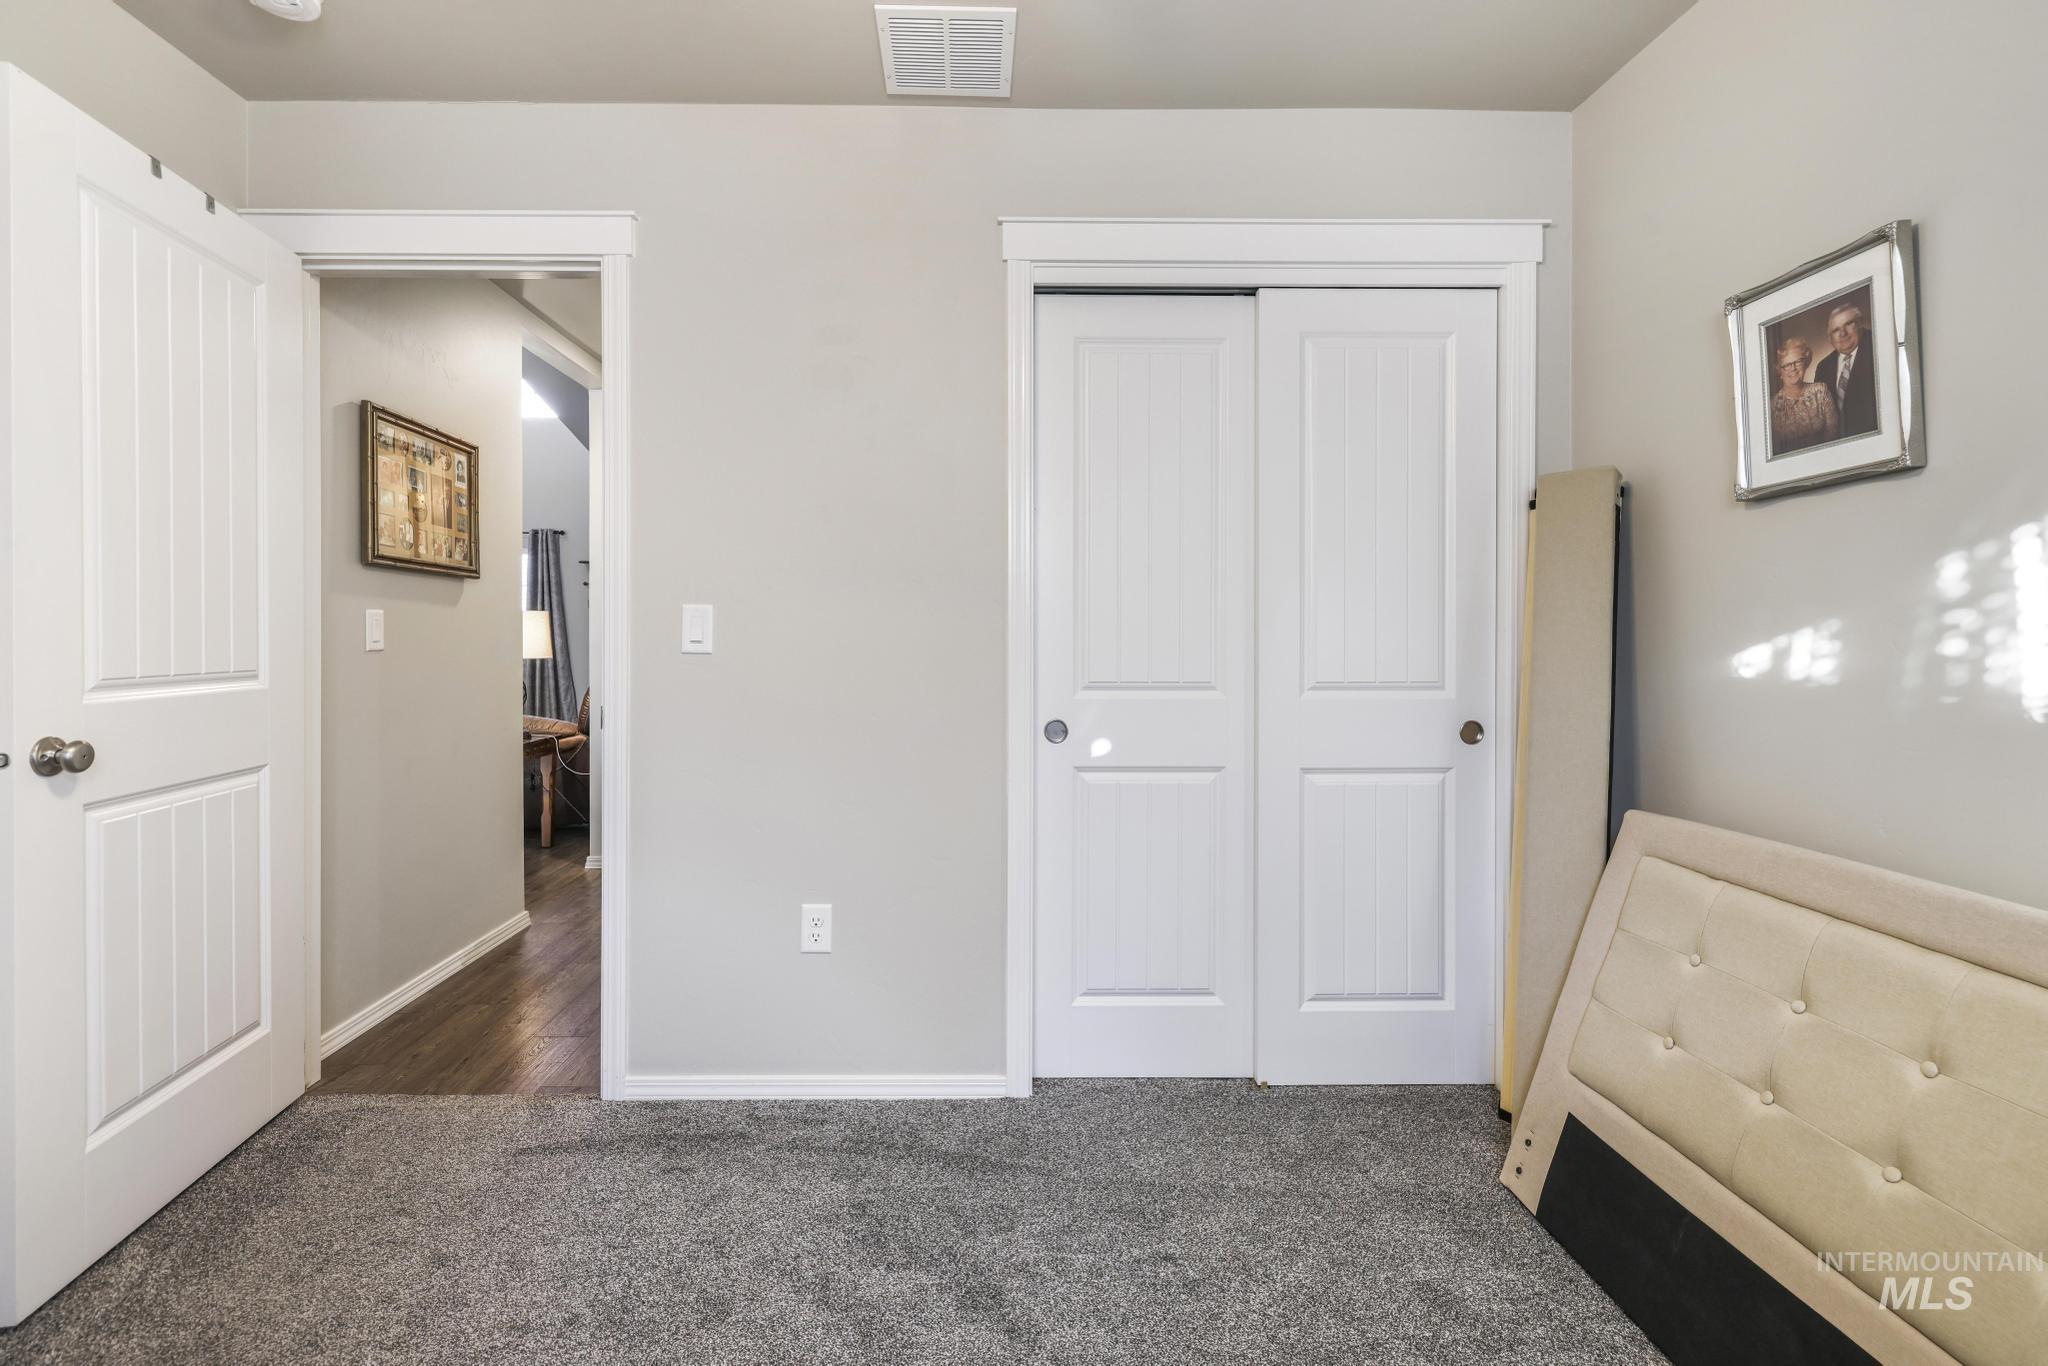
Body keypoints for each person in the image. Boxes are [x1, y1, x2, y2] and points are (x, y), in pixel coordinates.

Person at [1813, 301, 1877, 437]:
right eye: (1836, 330)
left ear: (1860, 324)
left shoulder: (1877, 348)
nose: (1842, 333)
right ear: (1830, 338)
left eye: (1848, 324)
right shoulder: (1823, 367)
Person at [1768, 336, 1839, 455]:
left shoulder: (1821, 391)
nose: (1793, 368)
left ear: (1806, 362)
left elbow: (1834, 434)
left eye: (1797, 362)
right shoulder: (1772, 406)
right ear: (1780, 370)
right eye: (1787, 365)